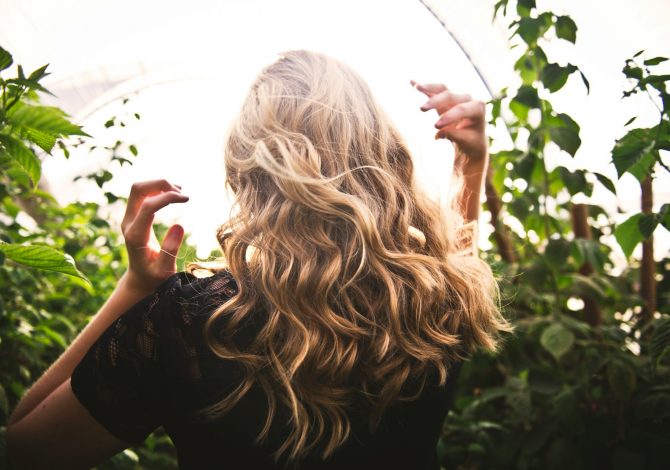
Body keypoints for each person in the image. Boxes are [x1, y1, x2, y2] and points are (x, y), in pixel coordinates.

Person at [6, 50, 510, 469]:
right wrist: (471, 163)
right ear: (381, 151)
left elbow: (23, 451)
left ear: (248, 169)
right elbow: (455, 259)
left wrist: (135, 288)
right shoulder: (440, 300)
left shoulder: (192, 323)